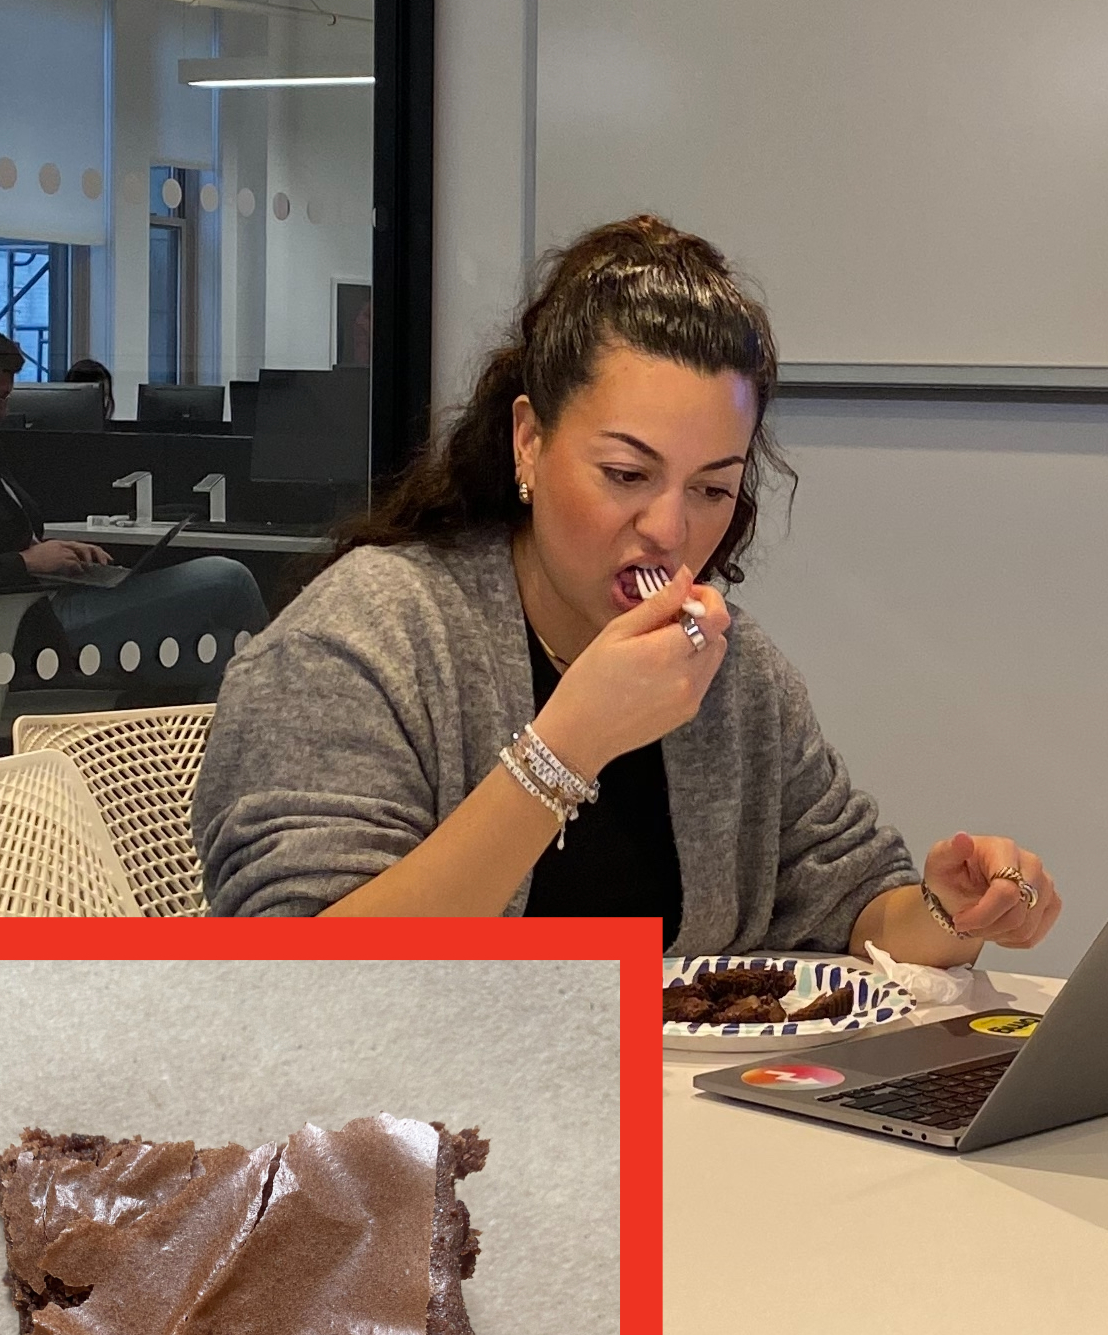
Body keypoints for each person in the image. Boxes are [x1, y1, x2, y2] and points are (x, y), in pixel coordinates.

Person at [193, 215, 1061, 957]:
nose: (670, 530)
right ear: (528, 442)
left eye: (713, 489)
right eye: (625, 473)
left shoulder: (729, 671)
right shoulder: (367, 636)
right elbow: (302, 978)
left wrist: (953, 912)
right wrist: (565, 749)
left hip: (676, 1134)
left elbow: (848, 901)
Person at [0, 317, 262, 697]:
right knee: (231, 579)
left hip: (41, 606)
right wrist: (30, 562)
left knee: (229, 648)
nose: (3, 411)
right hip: (26, 629)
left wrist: (52, 552)